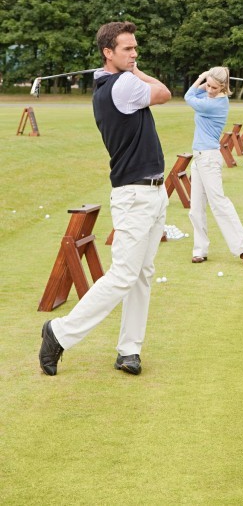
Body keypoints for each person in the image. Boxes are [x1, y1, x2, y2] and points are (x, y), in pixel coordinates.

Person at [38, 21, 171, 377]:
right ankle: (59, 332)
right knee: (124, 275)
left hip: (152, 191)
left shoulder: (113, 83)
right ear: (108, 53)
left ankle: (129, 350)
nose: (135, 54)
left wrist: (130, 67)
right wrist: (135, 71)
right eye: (127, 49)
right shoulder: (122, 84)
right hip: (135, 194)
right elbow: (164, 92)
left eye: (135, 48)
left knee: (142, 274)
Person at [184, 66, 243, 266]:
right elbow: (197, 93)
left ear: (223, 87)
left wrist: (201, 76)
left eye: (214, 87)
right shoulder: (210, 96)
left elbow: (189, 96)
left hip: (209, 159)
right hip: (199, 157)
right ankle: (200, 249)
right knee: (195, 208)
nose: (209, 90)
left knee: (218, 203)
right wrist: (207, 80)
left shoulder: (216, 104)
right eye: (208, 86)